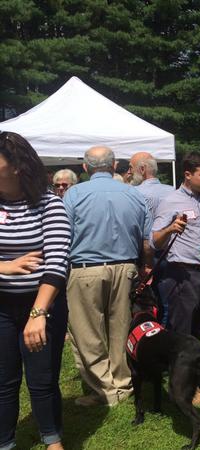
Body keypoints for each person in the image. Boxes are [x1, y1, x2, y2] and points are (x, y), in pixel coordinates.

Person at [63, 146, 152, 407]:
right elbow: (146, 240)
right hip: (126, 268)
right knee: (121, 328)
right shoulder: (134, 194)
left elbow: (63, 234)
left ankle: (104, 389)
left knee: (87, 332)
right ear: (114, 166)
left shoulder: (74, 194)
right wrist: (146, 266)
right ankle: (122, 383)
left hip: (85, 269)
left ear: (85, 167)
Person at [0, 132, 71, 450]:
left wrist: (38, 313)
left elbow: (57, 264)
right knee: (4, 381)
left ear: (16, 166)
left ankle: (53, 440)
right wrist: (5, 267)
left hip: (44, 304)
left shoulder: (49, 204)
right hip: (2, 306)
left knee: (42, 380)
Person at [151, 152, 200, 338]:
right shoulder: (170, 201)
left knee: (198, 328)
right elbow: (154, 240)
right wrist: (169, 229)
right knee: (181, 332)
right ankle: (179, 358)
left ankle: (193, 356)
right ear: (188, 175)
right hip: (182, 275)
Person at [127, 151, 174, 222]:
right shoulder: (173, 191)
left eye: (131, 167)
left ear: (142, 169)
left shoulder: (133, 193)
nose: (129, 172)